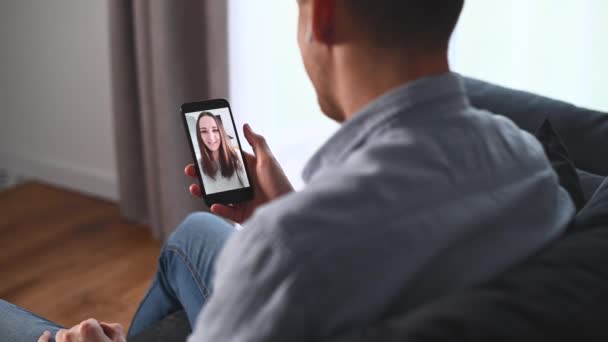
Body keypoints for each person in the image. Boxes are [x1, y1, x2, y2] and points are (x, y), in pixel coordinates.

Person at [0, 0, 576, 341]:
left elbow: (312, 257)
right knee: (196, 235)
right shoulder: (527, 161)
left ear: (322, 16)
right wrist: (279, 210)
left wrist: (284, 227)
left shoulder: (287, 254)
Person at [195, 112, 248, 194]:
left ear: (221, 132)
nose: (211, 137)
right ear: (199, 136)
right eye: (204, 131)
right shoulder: (198, 164)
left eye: (215, 130)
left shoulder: (237, 156)